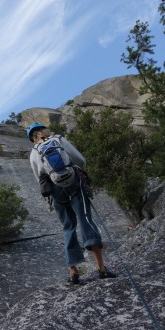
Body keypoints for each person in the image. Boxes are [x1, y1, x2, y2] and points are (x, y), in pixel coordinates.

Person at [26, 122, 116, 284]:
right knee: (86, 220)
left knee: (68, 227)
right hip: (74, 181)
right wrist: (81, 174)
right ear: (44, 130)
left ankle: (73, 272)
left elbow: (39, 178)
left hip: (55, 188)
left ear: (32, 137)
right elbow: (80, 159)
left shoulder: (33, 153)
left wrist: (49, 196)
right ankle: (101, 268)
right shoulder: (58, 139)